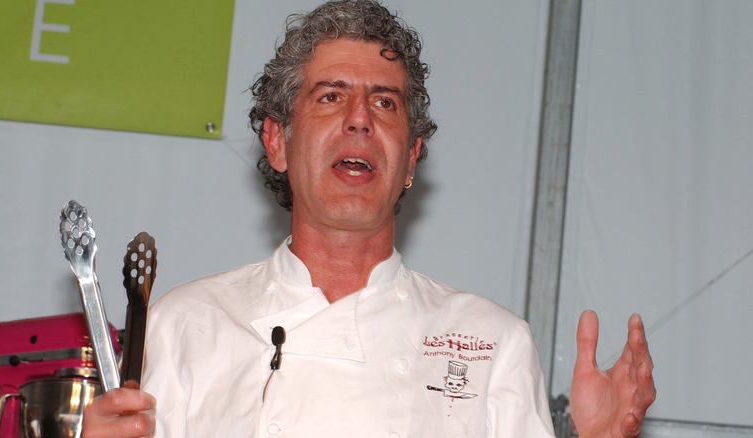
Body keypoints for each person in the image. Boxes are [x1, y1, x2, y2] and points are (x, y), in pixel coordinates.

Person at [82, 1, 655, 437]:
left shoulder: (492, 343)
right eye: (330, 97)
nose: (360, 120)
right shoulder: (185, 324)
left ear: (409, 160)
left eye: (384, 103)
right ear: (277, 142)